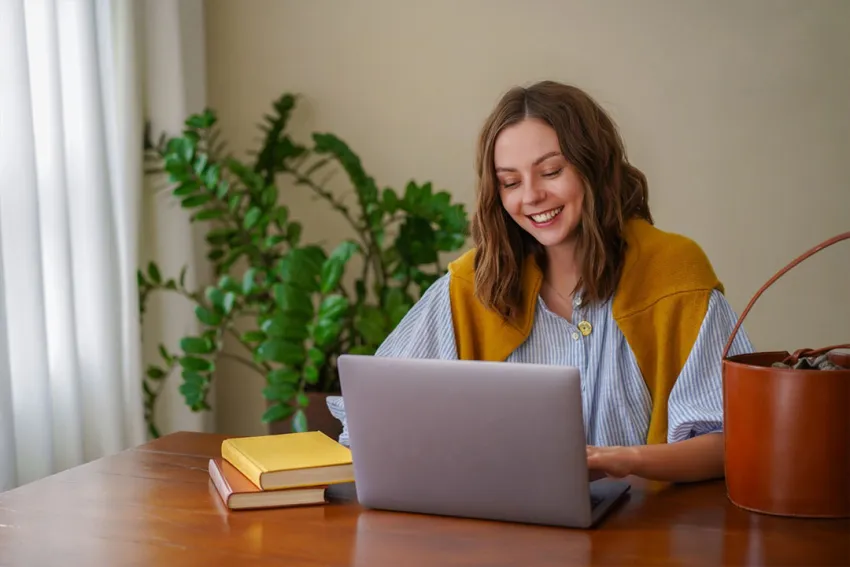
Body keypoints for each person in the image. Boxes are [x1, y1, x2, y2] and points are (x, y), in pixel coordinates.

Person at [327, 80, 754, 483]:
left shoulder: (675, 273)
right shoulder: (470, 286)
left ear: (595, 168)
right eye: (509, 182)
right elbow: (368, 418)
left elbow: (732, 440)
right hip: (499, 538)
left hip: (649, 540)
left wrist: (621, 461)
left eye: (551, 171)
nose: (529, 196)